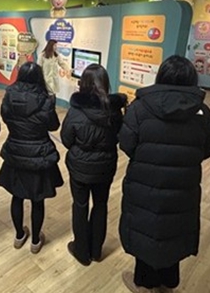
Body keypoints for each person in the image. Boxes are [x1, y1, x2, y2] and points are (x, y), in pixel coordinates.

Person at [118, 55, 210, 293]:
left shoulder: (139, 108)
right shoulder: (202, 112)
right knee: (174, 232)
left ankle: (145, 284)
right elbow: (209, 146)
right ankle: (168, 285)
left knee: (146, 230)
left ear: (160, 76)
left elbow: (126, 143)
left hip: (144, 185)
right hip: (182, 187)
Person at [60, 64, 127, 266]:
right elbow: (120, 137)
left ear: (84, 84)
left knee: (80, 206)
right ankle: (96, 250)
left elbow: (66, 140)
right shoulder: (115, 111)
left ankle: (81, 251)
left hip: (80, 167)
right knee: (101, 205)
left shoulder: (75, 110)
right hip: (105, 166)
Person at [0, 62, 63, 254]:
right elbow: (53, 126)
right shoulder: (46, 99)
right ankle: (35, 241)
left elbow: (5, 117)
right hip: (38, 155)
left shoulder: (9, 95)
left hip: (15, 152)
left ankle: (19, 236)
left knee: (16, 196)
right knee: (37, 200)